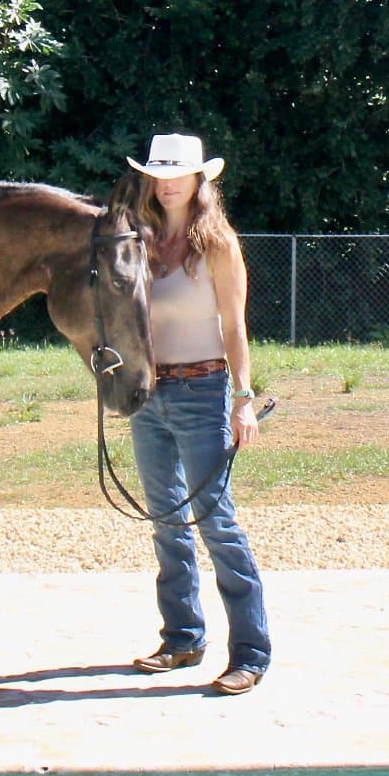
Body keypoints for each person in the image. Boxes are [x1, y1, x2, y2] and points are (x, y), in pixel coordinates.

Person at [122, 132, 271, 695]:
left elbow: (234, 326)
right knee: (165, 519)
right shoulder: (138, 238)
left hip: (202, 388)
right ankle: (182, 637)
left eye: (176, 173)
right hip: (148, 393)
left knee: (215, 520)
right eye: (158, 173)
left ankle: (251, 652)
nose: (165, 183)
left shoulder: (217, 243)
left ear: (198, 180)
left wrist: (243, 397)